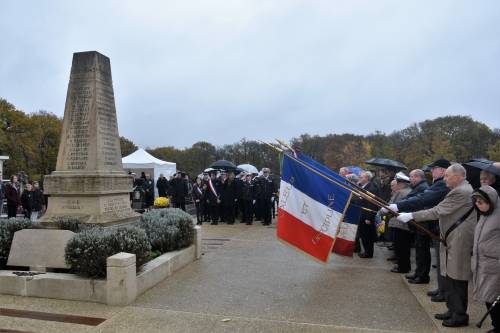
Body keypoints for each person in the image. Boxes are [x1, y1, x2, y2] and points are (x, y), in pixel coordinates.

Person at [397, 164, 476, 328]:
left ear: (459, 176)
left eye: (448, 175)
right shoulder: (459, 189)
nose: (445, 178)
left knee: (457, 276)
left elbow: (437, 211)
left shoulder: (462, 191)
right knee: (450, 275)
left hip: (459, 239)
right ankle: (452, 309)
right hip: (453, 237)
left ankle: (460, 314)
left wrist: (411, 215)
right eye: (445, 175)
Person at [385, 161, 448, 290]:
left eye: (434, 169)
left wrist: (399, 206)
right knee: (421, 250)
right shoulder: (434, 184)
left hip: (429, 222)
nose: (432, 171)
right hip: (424, 222)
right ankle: (421, 275)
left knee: (427, 253)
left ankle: (425, 277)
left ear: (442, 170)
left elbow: (422, 199)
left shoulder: (439, 184)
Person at [471, 185, 500, 333]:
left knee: (494, 298)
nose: (477, 205)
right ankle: (496, 325)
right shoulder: (484, 215)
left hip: (495, 264)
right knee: (489, 297)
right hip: (483, 262)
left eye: (481, 202)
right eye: (476, 202)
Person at [387, 174, 412, 273]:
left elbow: (391, 205)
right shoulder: (409, 191)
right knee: (405, 247)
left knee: (400, 247)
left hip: (399, 223)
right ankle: (405, 266)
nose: (395, 185)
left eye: (397, 183)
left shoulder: (400, 193)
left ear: (401, 184)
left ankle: (402, 267)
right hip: (405, 224)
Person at [357, 171, 379, 258]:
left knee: (367, 235)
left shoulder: (371, 188)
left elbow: (372, 204)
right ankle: (366, 251)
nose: (360, 178)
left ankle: (368, 253)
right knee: (363, 234)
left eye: (362, 177)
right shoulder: (363, 186)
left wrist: (369, 218)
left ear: (367, 179)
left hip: (367, 215)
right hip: (362, 213)